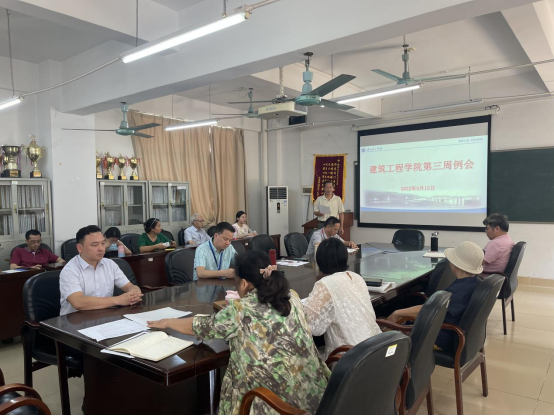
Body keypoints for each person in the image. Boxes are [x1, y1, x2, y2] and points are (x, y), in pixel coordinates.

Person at [148, 250, 330, 415]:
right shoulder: (292, 297)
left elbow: (200, 327)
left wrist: (168, 322)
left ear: (243, 283)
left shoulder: (240, 309)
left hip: (272, 405)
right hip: (316, 395)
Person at [387, 241, 483, 352]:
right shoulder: (476, 283)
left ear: (455, 264)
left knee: (386, 335)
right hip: (453, 334)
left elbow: (428, 311)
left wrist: (397, 313)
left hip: (439, 339)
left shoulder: (458, 291)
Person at [304, 238, 382, 360]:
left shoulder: (325, 284)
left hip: (349, 358)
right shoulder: (357, 277)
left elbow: (313, 326)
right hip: (376, 348)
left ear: (320, 261)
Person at [60, 225, 143, 316]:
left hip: (106, 317)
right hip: (76, 320)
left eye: (103, 243)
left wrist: (134, 292)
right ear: (80, 248)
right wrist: (118, 300)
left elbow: (129, 286)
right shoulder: (70, 270)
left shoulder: (110, 264)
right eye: (95, 245)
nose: (101, 248)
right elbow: (78, 302)